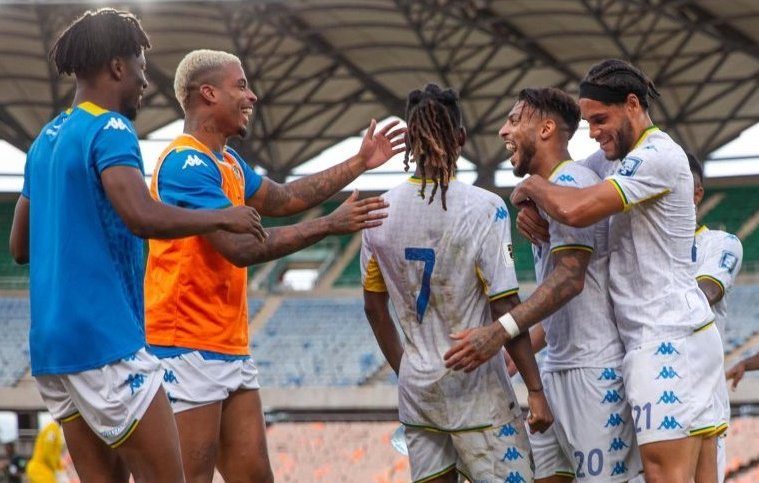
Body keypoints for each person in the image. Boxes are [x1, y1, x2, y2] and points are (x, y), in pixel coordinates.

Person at [8, 10, 265, 483]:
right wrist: (222, 215)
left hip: (52, 351)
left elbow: (19, 245)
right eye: (140, 66)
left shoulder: (46, 139)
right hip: (105, 342)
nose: (146, 81)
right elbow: (142, 216)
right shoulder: (110, 129)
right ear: (117, 67)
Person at [144, 49, 405, 483]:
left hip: (228, 345)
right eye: (241, 86)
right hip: (185, 346)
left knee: (255, 478)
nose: (252, 97)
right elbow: (239, 248)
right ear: (208, 93)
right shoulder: (185, 163)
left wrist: (360, 163)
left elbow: (283, 198)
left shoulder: (227, 162)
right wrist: (328, 225)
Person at [501, 59, 723, 483]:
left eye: (600, 119)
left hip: (669, 337)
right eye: (587, 122)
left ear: (633, 105)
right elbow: (563, 173)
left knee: (666, 476)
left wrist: (529, 188)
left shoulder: (658, 155)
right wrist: (532, 201)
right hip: (655, 337)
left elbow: (574, 207)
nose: (593, 132)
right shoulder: (612, 159)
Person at [447, 87, 641, 482]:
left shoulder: (571, 182)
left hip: (593, 372)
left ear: (547, 129)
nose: (503, 131)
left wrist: (499, 332)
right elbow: (563, 307)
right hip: (558, 368)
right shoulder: (550, 190)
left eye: (514, 120)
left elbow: (570, 279)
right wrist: (516, 355)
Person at [361, 83, 552, 483]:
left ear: (409, 141)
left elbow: (374, 309)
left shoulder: (378, 213)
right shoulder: (485, 208)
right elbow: (505, 305)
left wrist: (408, 369)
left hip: (419, 397)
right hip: (479, 397)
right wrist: (535, 389)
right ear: (461, 138)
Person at [690, 153, 743, 483]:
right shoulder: (633, 248)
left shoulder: (721, 244)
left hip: (702, 399)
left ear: (697, 193)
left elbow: (705, 293)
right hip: (644, 395)